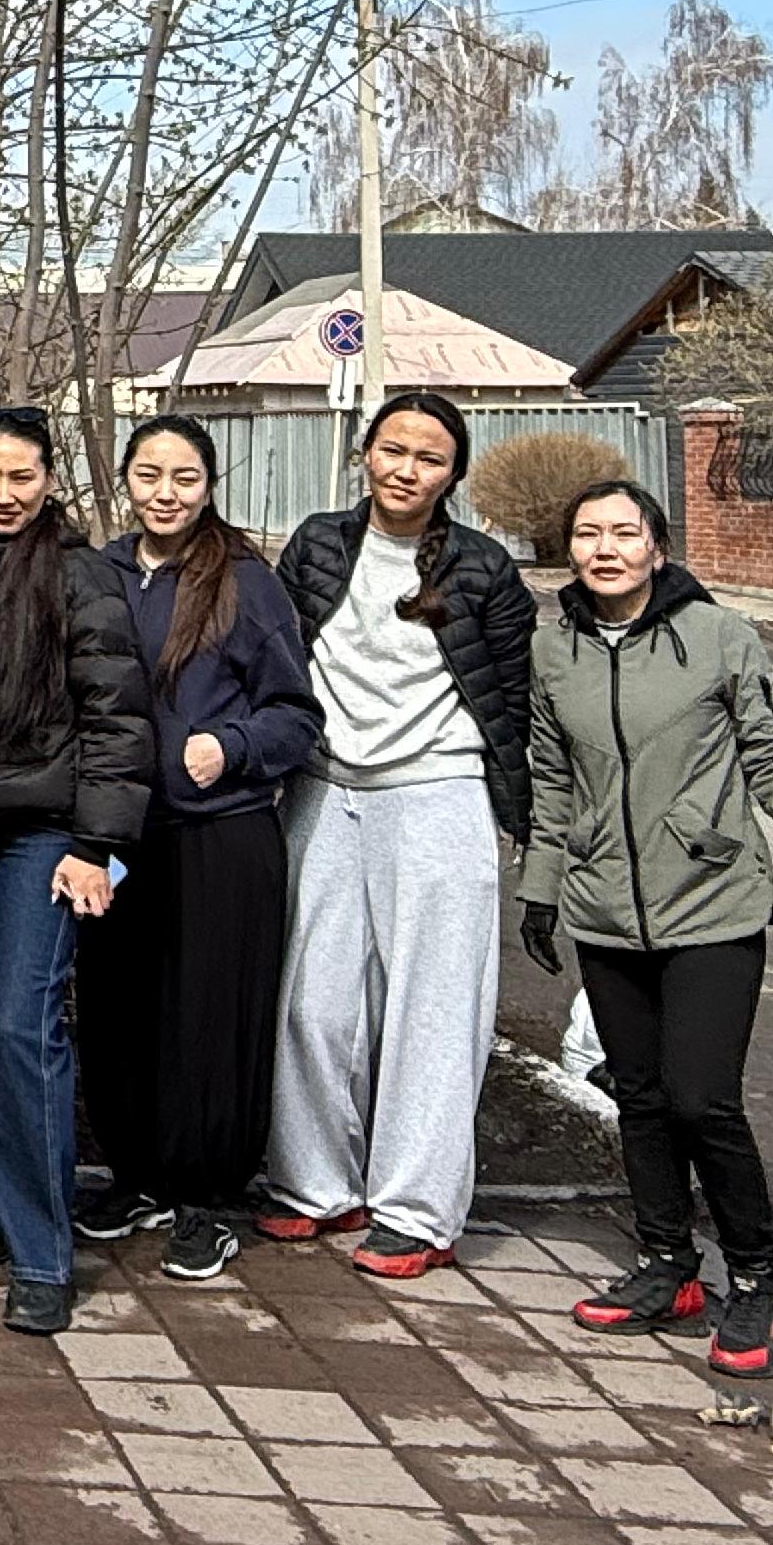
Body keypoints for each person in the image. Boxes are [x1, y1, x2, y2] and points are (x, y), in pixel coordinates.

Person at [526, 478, 773, 1379]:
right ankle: (666, 1263)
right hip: (604, 906)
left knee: (699, 1097)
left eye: (624, 533)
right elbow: (552, 779)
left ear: (658, 549)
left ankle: (756, 1281)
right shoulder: (553, 648)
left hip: (712, 897)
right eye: (587, 532)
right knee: (637, 1093)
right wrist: (541, 886)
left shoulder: (717, 638)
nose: (604, 548)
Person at [261, 388, 538, 1277]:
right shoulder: (317, 544)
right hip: (324, 786)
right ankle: (314, 1185)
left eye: (428, 457)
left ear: (453, 473)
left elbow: (516, 700)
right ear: (364, 453)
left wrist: (525, 815)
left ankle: (417, 1210)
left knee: (433, 1007)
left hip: (439, 791)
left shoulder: (485, 570)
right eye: (392, 449)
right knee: (312, 1000)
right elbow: (274, 652)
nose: (405, 469)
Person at [0, 404, 152, 1336]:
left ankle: (45, 1253)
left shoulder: (82, 578)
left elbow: (119, 724)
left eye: (21, 477)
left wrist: (99, 846)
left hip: (46, 834)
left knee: (24, 1026)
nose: (4, 495)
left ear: (49, 479)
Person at [80, 415, 320, 1285]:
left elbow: (297, 716)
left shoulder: (245, 585)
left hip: (221, 832)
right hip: (118, 832)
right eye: (150, 474)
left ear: (209, 486)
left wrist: (234, 747)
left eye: (185, 477)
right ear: (127, 479)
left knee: (211, 1022)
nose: (166, 493)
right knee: (117, 1010)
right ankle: (135, 1174)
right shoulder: (99, 574)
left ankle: (207, 1199)